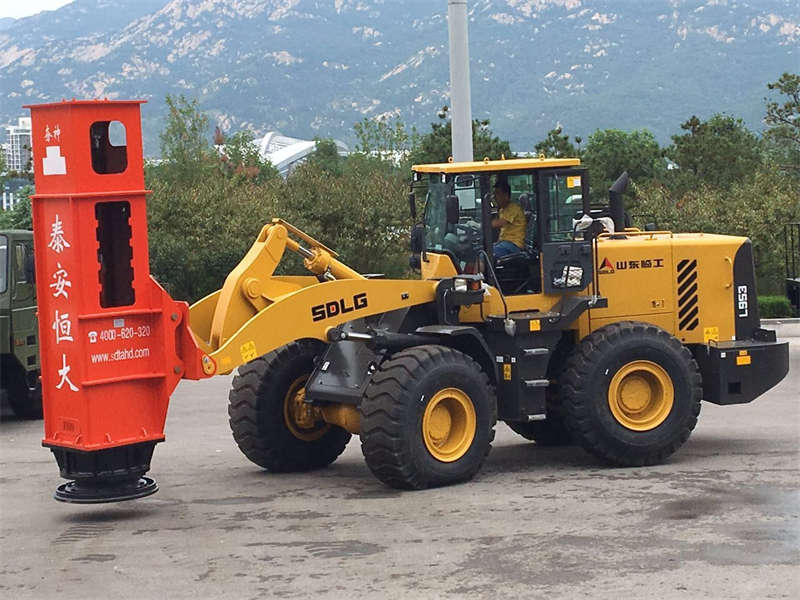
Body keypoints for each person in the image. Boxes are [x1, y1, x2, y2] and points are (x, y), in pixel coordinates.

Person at [491, 179, 526, 257]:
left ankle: (478, 269)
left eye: (497, 193)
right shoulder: (503, 209)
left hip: (513, 245)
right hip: (505, 243)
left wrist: (480, 225)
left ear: (506, 194)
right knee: (479, 250)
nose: (494, 197)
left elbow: (500, 223)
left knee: (485, 255)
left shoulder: (513, 208)